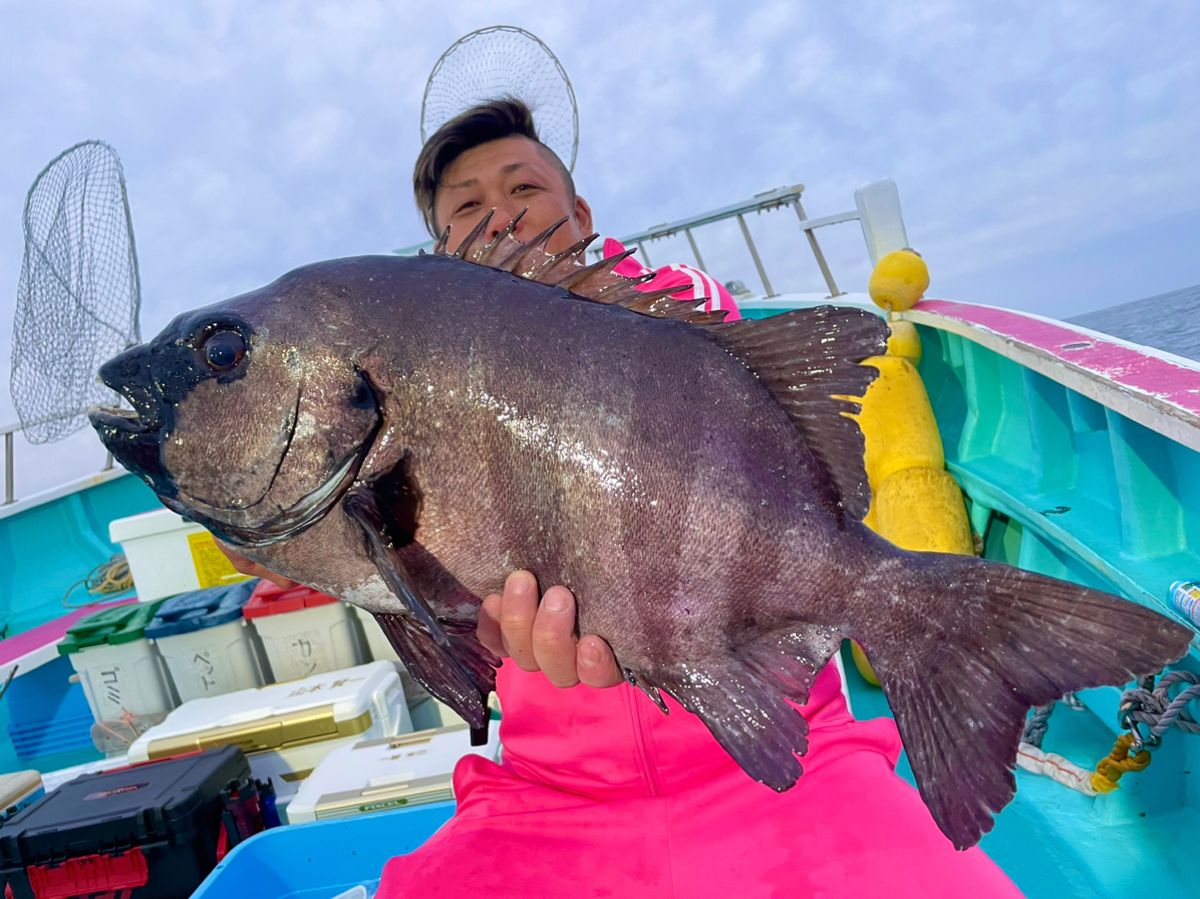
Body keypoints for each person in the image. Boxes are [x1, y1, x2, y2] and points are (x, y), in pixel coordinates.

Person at [222, 99, 1024, 898]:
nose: (499, 213)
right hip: (553, 784)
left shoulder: (680, 312)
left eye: (522, 188)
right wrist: (262, 520)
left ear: (582, 213)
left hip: (790, 746)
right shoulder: (410, 386)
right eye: (467, 206)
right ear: (441, 255)